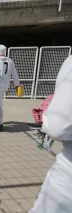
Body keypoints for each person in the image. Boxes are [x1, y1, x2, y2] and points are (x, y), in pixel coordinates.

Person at [29, 56, 72, 213]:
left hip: (67, 181)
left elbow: (57, 126)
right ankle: (44, 144)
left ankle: (44, 144)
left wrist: (47, 116)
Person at [0, 44, 20, 130]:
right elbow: (14, 74)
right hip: (5, 85)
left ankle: (0, 123)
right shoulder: (10, 60)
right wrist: (17, 85)